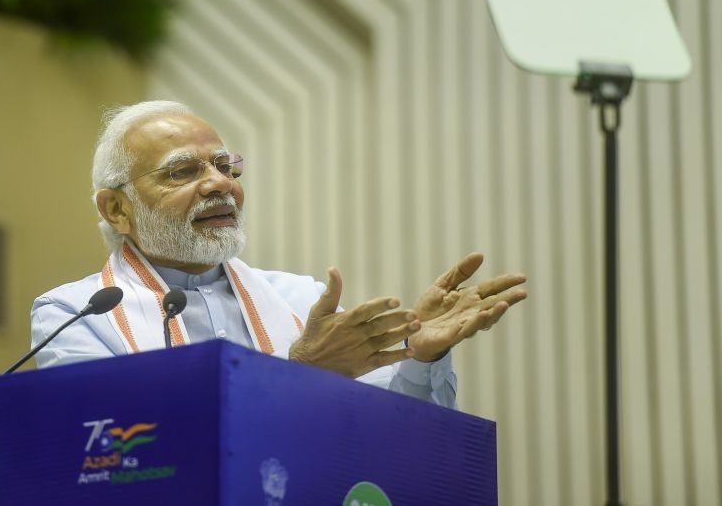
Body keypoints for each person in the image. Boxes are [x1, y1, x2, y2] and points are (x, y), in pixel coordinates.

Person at [30, 101, 527, 409]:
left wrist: (424, 355)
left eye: (225, 166)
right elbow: (108, 446)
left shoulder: (300, 301)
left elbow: (391, 442)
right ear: (117, 208)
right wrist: (298, 371)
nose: (220, 184)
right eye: (182, 171)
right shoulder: (75, 315)